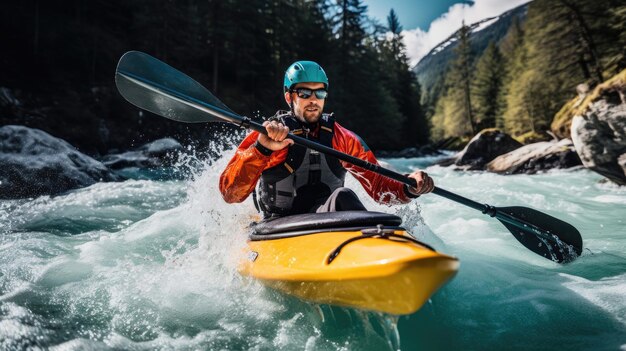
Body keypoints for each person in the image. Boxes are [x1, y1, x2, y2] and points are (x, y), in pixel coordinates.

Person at [219, 61, 434, 218]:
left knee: (343, 196)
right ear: (289, 96)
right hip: (278, 226)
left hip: (328, 221)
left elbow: (378, 186)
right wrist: (262, 150)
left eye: (319, 93)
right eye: (304, 93)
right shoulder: (267, 135)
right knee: (343, 196)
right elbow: (230, 193)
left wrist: (408, 187)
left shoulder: (343, 139)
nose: (313, 100)